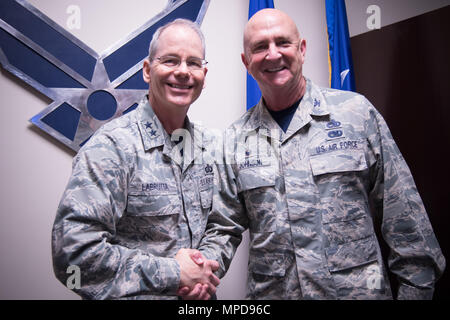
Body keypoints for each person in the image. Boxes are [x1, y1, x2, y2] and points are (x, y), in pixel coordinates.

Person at [184, 8, 446, 300]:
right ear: (246, 62)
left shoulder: (356, 114)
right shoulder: (235, 140)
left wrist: (415, 292)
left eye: (282, 42)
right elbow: (224, 226)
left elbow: (406, 220)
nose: (272, 54)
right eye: (260, 47)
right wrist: (202, 270)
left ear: (302, 49)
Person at [52, 19, 220, 300]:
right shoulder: (111, 148)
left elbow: (221, 223)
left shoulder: (210, 147)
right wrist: (174, 273)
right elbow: (72, 254)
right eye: (170, 60)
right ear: (146, 70)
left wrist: (204, 273)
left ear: (204, 73)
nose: (182, 72)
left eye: (193, 63)